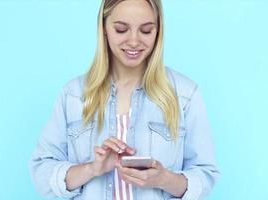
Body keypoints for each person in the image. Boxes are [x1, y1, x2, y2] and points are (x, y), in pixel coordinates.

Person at [29, 0, 219, 199]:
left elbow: (205, 174)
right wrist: (92, 169)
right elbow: (42, 170)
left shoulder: (185, 95)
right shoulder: (73, 95)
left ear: (158, 31)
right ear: (104, 28)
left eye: (146, 31)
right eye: (121, 30)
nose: (134, 41)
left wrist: (164, 179)